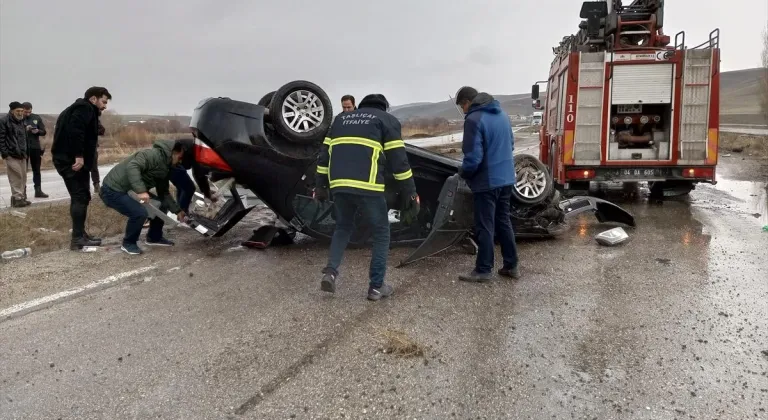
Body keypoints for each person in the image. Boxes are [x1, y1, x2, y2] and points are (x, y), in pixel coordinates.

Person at [315, 93, 420, 301]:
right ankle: (376, 287)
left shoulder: (339, 120)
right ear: (384, 107)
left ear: (361, 106)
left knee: (343, 228)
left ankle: (330, 272)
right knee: (381, 232)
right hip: (368, 186)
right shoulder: (387, 120)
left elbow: (324, 155)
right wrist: (411, 192)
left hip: (339, 185)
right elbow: (399, 163)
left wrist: (321, 187)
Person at [454, 86, 520, 282]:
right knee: (503, 221)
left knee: (485, 225)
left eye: (461, 107)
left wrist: (464, 173)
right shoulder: (503, 116)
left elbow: (473, 157)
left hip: (487, 181)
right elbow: (511, 145)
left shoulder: (474, 120)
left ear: (467, 102)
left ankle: (483, 269)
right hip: (506, 178)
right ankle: (511, 265)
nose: (463, 111)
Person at [99, 140, 187, 255]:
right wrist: (141, 191)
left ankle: (154, 237)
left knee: (161, 205)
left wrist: (178, 211)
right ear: (173, 152)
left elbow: (164, 193)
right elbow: (133, 166)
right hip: (113, 190)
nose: (180, 162)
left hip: (131, 191)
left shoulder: (165, 166)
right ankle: (128, 243)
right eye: (180, 158)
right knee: (139, 213)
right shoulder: (152, 155)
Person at [51, 86, 111, 250]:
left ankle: (80, 234)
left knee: (82, 196)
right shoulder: (84, 108)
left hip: (69, 159)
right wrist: (79, 155)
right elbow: (75, 131)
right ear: (93, 99)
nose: (105, 106)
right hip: (71, 161)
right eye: (103, 102)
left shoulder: (79, 109)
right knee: (80, 197)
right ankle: (77, 239)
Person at [164, 138, 218, 213]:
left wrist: (206, 192)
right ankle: (183, 213)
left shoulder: (198, 147)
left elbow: (198, 172)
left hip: (173, 164)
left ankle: (180, 211)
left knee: (181, 187)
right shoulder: (199, 151)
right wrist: (207, 194)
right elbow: (199, 174)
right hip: (171, 165)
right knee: (189, 188)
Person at [0, 102, 31, 207]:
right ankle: (17, 198)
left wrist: (26, 151)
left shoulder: (22, 121)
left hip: (22, 154)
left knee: (23, 177)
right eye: (18, 111)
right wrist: (5, 153)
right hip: (11, 154)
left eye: (21, 111)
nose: (20, 113)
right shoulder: (4, 121)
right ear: (12, 111)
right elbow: (1, 139)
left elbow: (24, 139)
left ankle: (20, 198)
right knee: (15, 176)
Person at [22, 102, 49, 198]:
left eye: (29, 112)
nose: (28, 114)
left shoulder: (36, 118)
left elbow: (44, 131)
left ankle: (38, 190)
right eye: (26, 112)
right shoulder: (18, 118)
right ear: (22, 110)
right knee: (23, 171)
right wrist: (25, 129)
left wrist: (38, 131)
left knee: (36, 170)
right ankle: (22, 192)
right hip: (23, 148)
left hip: (35, 147)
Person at [91, 120, 106, 194]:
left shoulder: (93, 118)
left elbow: (102, 130)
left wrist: (91, 132)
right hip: (78, 148)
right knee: (80, 168)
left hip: (92, 147)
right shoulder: (76, 117)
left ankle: (96, 185)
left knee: (94, 167)